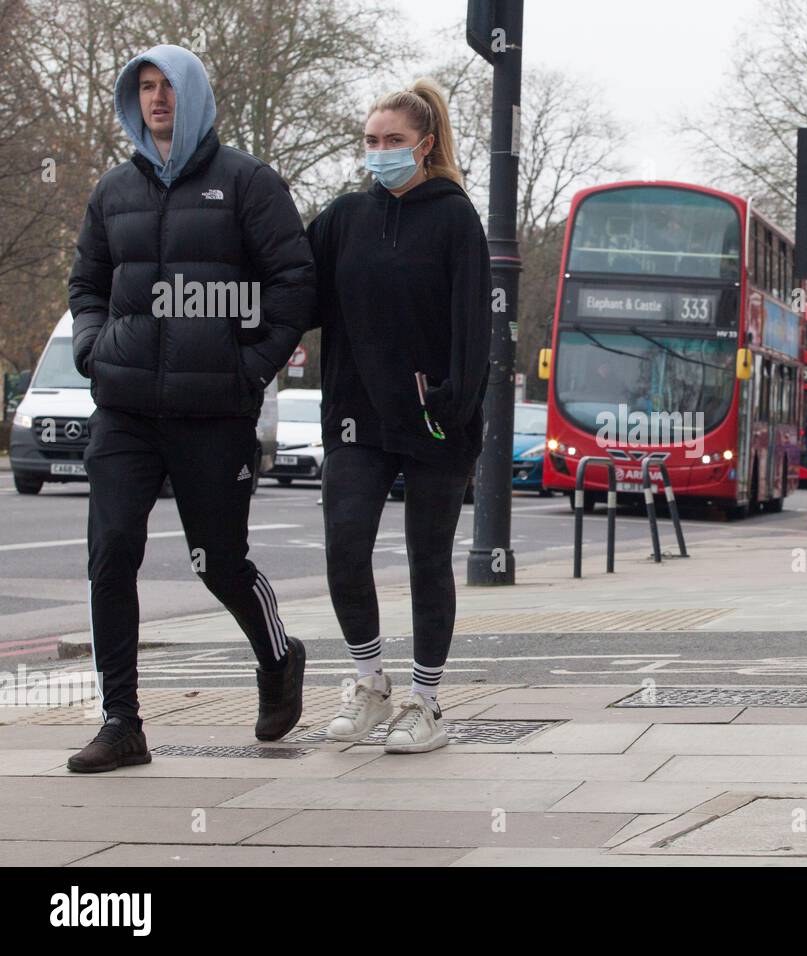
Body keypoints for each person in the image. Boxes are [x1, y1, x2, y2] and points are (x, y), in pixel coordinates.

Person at [66, 45, 314, 772]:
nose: (156, 99)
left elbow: (295, 284)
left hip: (214, 413)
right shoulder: (113, 192)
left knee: (219, 562)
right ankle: (122, 721)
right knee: (111, 553)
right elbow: (85, 283)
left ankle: (278, 658)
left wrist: (250, 367)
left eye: (168, 86)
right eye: (144, 87)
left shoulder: (247, 184)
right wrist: (92, 348)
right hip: (126, 409)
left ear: (194, 94)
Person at [308, 79, 491, 753]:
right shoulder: (342, 219)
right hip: (357, 413)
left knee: (427, 559)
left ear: (426, 145)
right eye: (371, 141)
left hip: (435, 418)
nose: (379, 153)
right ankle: (369, 682)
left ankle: (427, 702)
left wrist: (452, 401)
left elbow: (474, 325)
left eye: (393, 142)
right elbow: (297, 291)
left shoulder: (453, 219)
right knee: (345, 544)